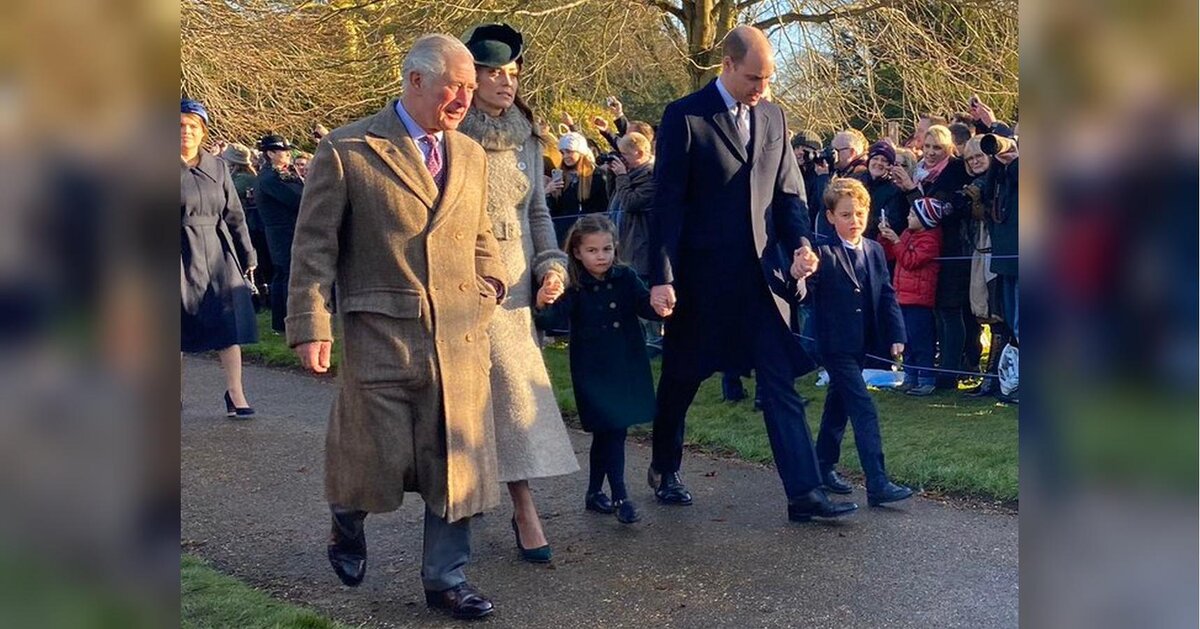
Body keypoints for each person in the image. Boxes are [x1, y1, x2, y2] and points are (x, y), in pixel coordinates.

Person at [286, 34, 507, 620]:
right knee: (373, 459)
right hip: (382, 333)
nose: (464, 97)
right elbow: (313, 248)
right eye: (453, 86)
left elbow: (481, 236)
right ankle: (346, 520)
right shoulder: (349, 149)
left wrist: (492, 286)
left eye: (469, 86)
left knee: (455, 463)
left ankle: (446, 579)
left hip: (459, 335)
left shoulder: (471, 154)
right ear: (415, 80)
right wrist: (312, 323)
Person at [646, 25, 856, 522]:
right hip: (701, 282)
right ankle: (664, 465)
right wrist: (662, 275)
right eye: (753, 77)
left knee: (780, 381)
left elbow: (788, 195)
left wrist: (803, 245)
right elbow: (667, 204)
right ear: (727, 65)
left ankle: (804, 495)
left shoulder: (774, 117)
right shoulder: (685, 117)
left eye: (768, 78)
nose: (761, 88)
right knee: (682, 378)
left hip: (763, 280)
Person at [457, 22, 579, 564]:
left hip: (513, 287)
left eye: (512, 73)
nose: (506, 82)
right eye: (493, 72)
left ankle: (523, 506)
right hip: (458, 280)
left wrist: (552, 266)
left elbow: (537, 211)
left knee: (511, 395)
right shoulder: (450, 130)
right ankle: (461, 499)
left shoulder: (529, 135)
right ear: (470, 76)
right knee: (460, 401)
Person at [533, 215, 660, 524]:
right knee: (611, 431)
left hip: (625, 365)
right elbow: (551, 321)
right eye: (592, 251)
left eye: (606, 249)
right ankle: (620, 496)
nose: (601, 256)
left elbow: (644, 305)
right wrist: (543, 302)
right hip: (593, 371)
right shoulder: (574, 287)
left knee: (610, 433)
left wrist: (660, 304)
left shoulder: (625, 277)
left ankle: (594, 493)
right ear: (577, 252)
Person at [805, 178, 913, 506]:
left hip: (862, 342)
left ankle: (822, 466)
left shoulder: (875, 250)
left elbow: (886, 295)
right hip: (834, 344)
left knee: (838, 405)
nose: (855, 221)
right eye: (846, 215)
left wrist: (896, 335)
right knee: (862, 407)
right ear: (830, 217)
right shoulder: (822, 251)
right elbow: (807, 295)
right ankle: (877, 482)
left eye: (860, 214)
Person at [180, 99, 258, 417]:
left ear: (203, 132)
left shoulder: (219, 167)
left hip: (216, 251)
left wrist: (248, 254)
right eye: (179, 126)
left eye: (192, 127)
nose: (185, 132)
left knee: (227, 324)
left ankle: (235, 393)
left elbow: (235, 215)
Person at [889, 124, 974, 389]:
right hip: (926, 251)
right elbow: (914, 212)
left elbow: (934, 213)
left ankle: (950, 372)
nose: (931, 152)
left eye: (937, 147)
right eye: (927, 147)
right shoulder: (921, 173)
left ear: (948, 148)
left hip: (950, 249)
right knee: (934, 313)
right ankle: (931, 370)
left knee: (950, 310)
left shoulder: (956, 171)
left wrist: (911, 189)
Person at [879, 199, 944, 396]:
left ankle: (926, 379)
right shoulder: (908, 234)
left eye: (913, 215)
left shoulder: (930, 240)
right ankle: (910, 377)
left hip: (919, 300)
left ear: (926, 219)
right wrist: (886, 237)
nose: (908, 217)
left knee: (921, 341)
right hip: (902, 296)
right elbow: (891, 253)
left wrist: (897, 241)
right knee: (906, 339)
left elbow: (910, 261)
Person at [255, 133, 303, 333]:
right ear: (271, 153)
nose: (288, 154)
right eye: (283, 151)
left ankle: (284, 321)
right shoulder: (270, 177)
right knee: (286, 274)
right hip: (282, 231)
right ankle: (284, 321)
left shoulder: (278, 174)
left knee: (284, 274)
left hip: (285, 229)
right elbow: (296, 198)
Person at [221, 142, 272, 304]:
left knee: (255, 264)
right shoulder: (247, 176)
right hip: (251, 224)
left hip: (249, 225)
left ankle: (258, 295)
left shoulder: (242, 179)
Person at [546, 131, 609, 245]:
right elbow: (554, 210)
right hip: (562, 236)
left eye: (569, 152)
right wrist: (548, 193)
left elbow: (602, 209)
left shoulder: (596, 176)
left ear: (580, 152)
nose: (565, 156)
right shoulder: (561, 176)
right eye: (562, 152)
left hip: (587, 235)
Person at [856, 140, 909, 241]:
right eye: (875, 158)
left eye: (884, 160)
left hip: (878, 242)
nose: (879, 163)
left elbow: (896, 221)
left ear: (890, 165)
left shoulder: (894, 190)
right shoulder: (855, 181)